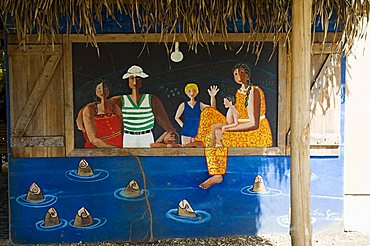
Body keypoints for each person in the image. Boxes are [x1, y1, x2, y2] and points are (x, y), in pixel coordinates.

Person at [196, 63, 273, 189]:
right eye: (236, 74)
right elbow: (233, 118)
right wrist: (228, 117)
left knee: (219, 135)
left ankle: (217, 173)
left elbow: (253, 124)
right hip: (239, 125)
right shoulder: (239, 92)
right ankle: (200, 141)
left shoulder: (254, 91)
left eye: (242, 73)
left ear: (248, 75)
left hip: (256, 133)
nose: (239, 76)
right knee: (208, 113)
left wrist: (227, 128)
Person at [77, 65, 176, 147]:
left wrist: (159, 142)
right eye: (132, 78)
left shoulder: (152, 99)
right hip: (129, 137)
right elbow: (100, 104)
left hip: (147, 136)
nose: (134, 82)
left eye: (137, 78)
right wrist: (81, 113)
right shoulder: (121, 99)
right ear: (128, 80)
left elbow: (166, 124)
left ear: (141, 80)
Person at [81, 80, 123, 148]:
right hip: (99, 149)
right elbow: (93, 139)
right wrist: (115, 149)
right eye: (99, 88)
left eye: (105, 87)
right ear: (95, 91)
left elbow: (123, 128)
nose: (102, 90)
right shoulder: (90, 110)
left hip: (120, 145)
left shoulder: (115, 108)